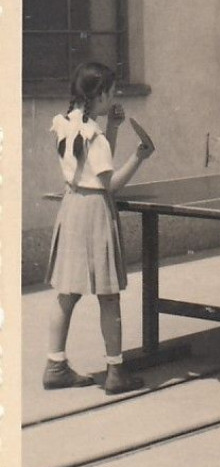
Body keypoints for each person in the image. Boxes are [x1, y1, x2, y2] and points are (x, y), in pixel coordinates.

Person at [44, 61, 155, 395]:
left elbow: (92, 164)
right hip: (94, 212)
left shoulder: (66, 123)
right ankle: (116, 373)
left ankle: (55, 366)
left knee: (66, 294)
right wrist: (140, 156)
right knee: (109, 297)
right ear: (99, 94)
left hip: (71, 207)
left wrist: (114, 127)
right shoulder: (97, 138)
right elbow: (109, 184)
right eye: (112, 91)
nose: (115, 95)